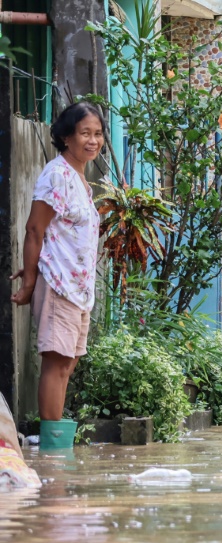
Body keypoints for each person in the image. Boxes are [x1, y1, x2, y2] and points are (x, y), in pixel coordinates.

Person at [9, 102, 104, 426]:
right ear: (66, 137)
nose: (92, 141)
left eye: (98, 134)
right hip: (59, 284)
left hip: (78, 289)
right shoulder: (57, 175)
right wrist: (30, 281)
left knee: (68, 363)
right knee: (56, 361)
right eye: (84, 133)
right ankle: (52, 452)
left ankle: (57, 450)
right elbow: (35, 229)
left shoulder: (79, 178)